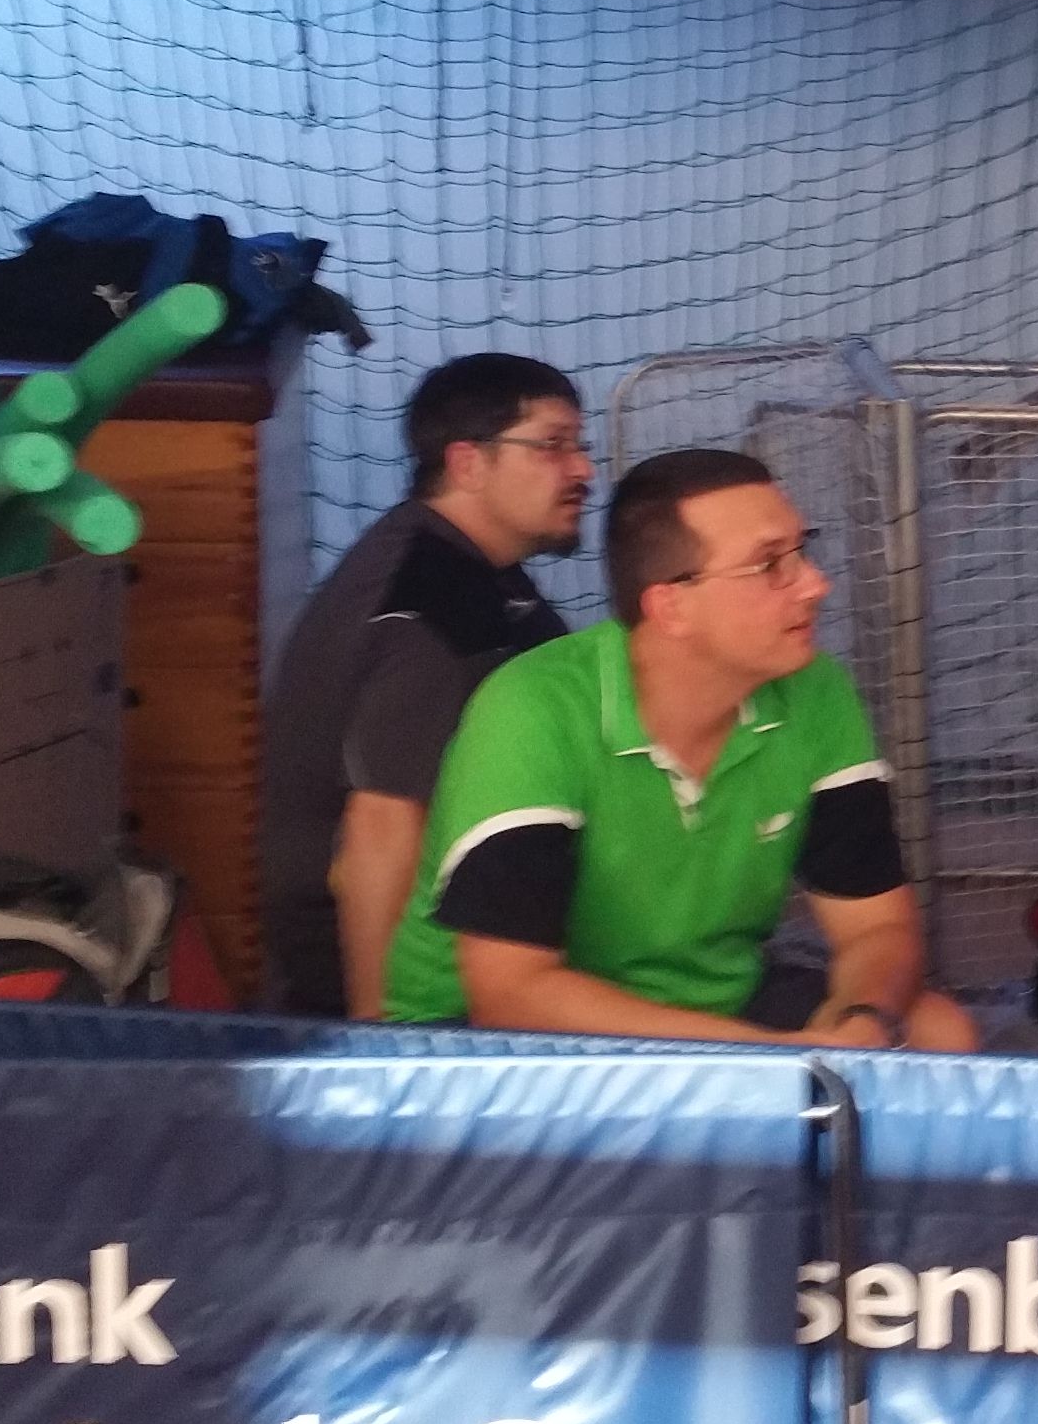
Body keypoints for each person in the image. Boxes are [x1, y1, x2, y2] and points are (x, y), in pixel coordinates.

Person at [389, 445, 981, 1049]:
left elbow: (876, 927)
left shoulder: (814, 687)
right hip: (485, 1042)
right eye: (770, 564)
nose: (815, 584)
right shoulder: (533, 708)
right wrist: (773, 1060)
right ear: (670, 605)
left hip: (711, 1003)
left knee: (937, 1031)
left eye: (803, 551)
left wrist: (862, 1020)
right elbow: (511, 995)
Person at [255, 353, 583, 1019]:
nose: (583, 470)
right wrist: (385, 1038)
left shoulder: (471, 568)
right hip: (389, 983)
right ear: (468, 463)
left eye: (579, 446)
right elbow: (378, 830)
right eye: (553, 446)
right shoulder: (423, 612)